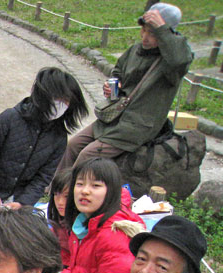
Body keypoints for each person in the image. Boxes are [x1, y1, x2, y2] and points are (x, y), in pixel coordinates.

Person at [57, 3, 193, 171]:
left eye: (152, 33)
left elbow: (180, 59)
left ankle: (70, 192)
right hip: (114, 117)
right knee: (73, 146)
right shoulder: (135, 50)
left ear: (167, 35)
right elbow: (118, 70)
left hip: (136, 126)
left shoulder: (171, 61)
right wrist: (113, 85)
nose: (145, 37)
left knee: (88, 155)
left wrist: (162, 29)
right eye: (144, 30)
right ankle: (54, 190)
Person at [0, 67, 87, 213]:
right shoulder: (9, 118)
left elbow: (44, 177)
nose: (61, 104)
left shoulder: (59, 137)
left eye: (66, 101)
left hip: (20, 198)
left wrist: (22, 202)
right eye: (58, 99)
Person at [59, 158, 145, 273]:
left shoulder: (112, 233)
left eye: (95, 186)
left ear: (111, 191)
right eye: (80, 184)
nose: (85, 191)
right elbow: (76, 270)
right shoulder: (85, 224)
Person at [46, 168, 73, 267]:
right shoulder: (57, 227)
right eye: (56, 195)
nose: (60, 202)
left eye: (66, 196)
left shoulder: (88, 227)